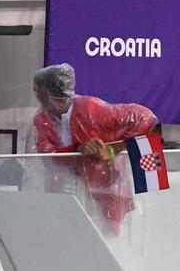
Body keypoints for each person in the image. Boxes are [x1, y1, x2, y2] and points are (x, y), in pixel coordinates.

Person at [30, 63, 159, 235]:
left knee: (107, 245)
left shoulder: (91, 109)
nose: (36, 97)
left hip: (105, 191)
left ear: (46, 93)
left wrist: (112, 149)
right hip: (66, 192)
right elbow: (47, 157)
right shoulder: (42, 120)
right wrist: (78, 149)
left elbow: (146, 118)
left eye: (37, 91)